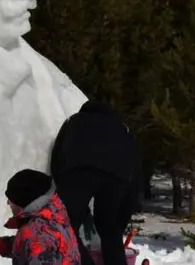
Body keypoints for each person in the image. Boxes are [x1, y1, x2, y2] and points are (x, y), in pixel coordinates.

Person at [49, 101, 142, 265]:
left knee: (67, 226)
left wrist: (62, 188)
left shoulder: (75, 121)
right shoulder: (122, 129)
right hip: (117, 178)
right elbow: (134, 168)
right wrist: (122, 217)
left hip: (80, 171)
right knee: (109, 226)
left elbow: (57, 155)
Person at [0, 169, 81, 265]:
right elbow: (27, 248)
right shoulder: (53, 214)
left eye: (11, 200)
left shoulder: (39, 236)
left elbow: (35, 245)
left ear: (24, 202)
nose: (8, 203)